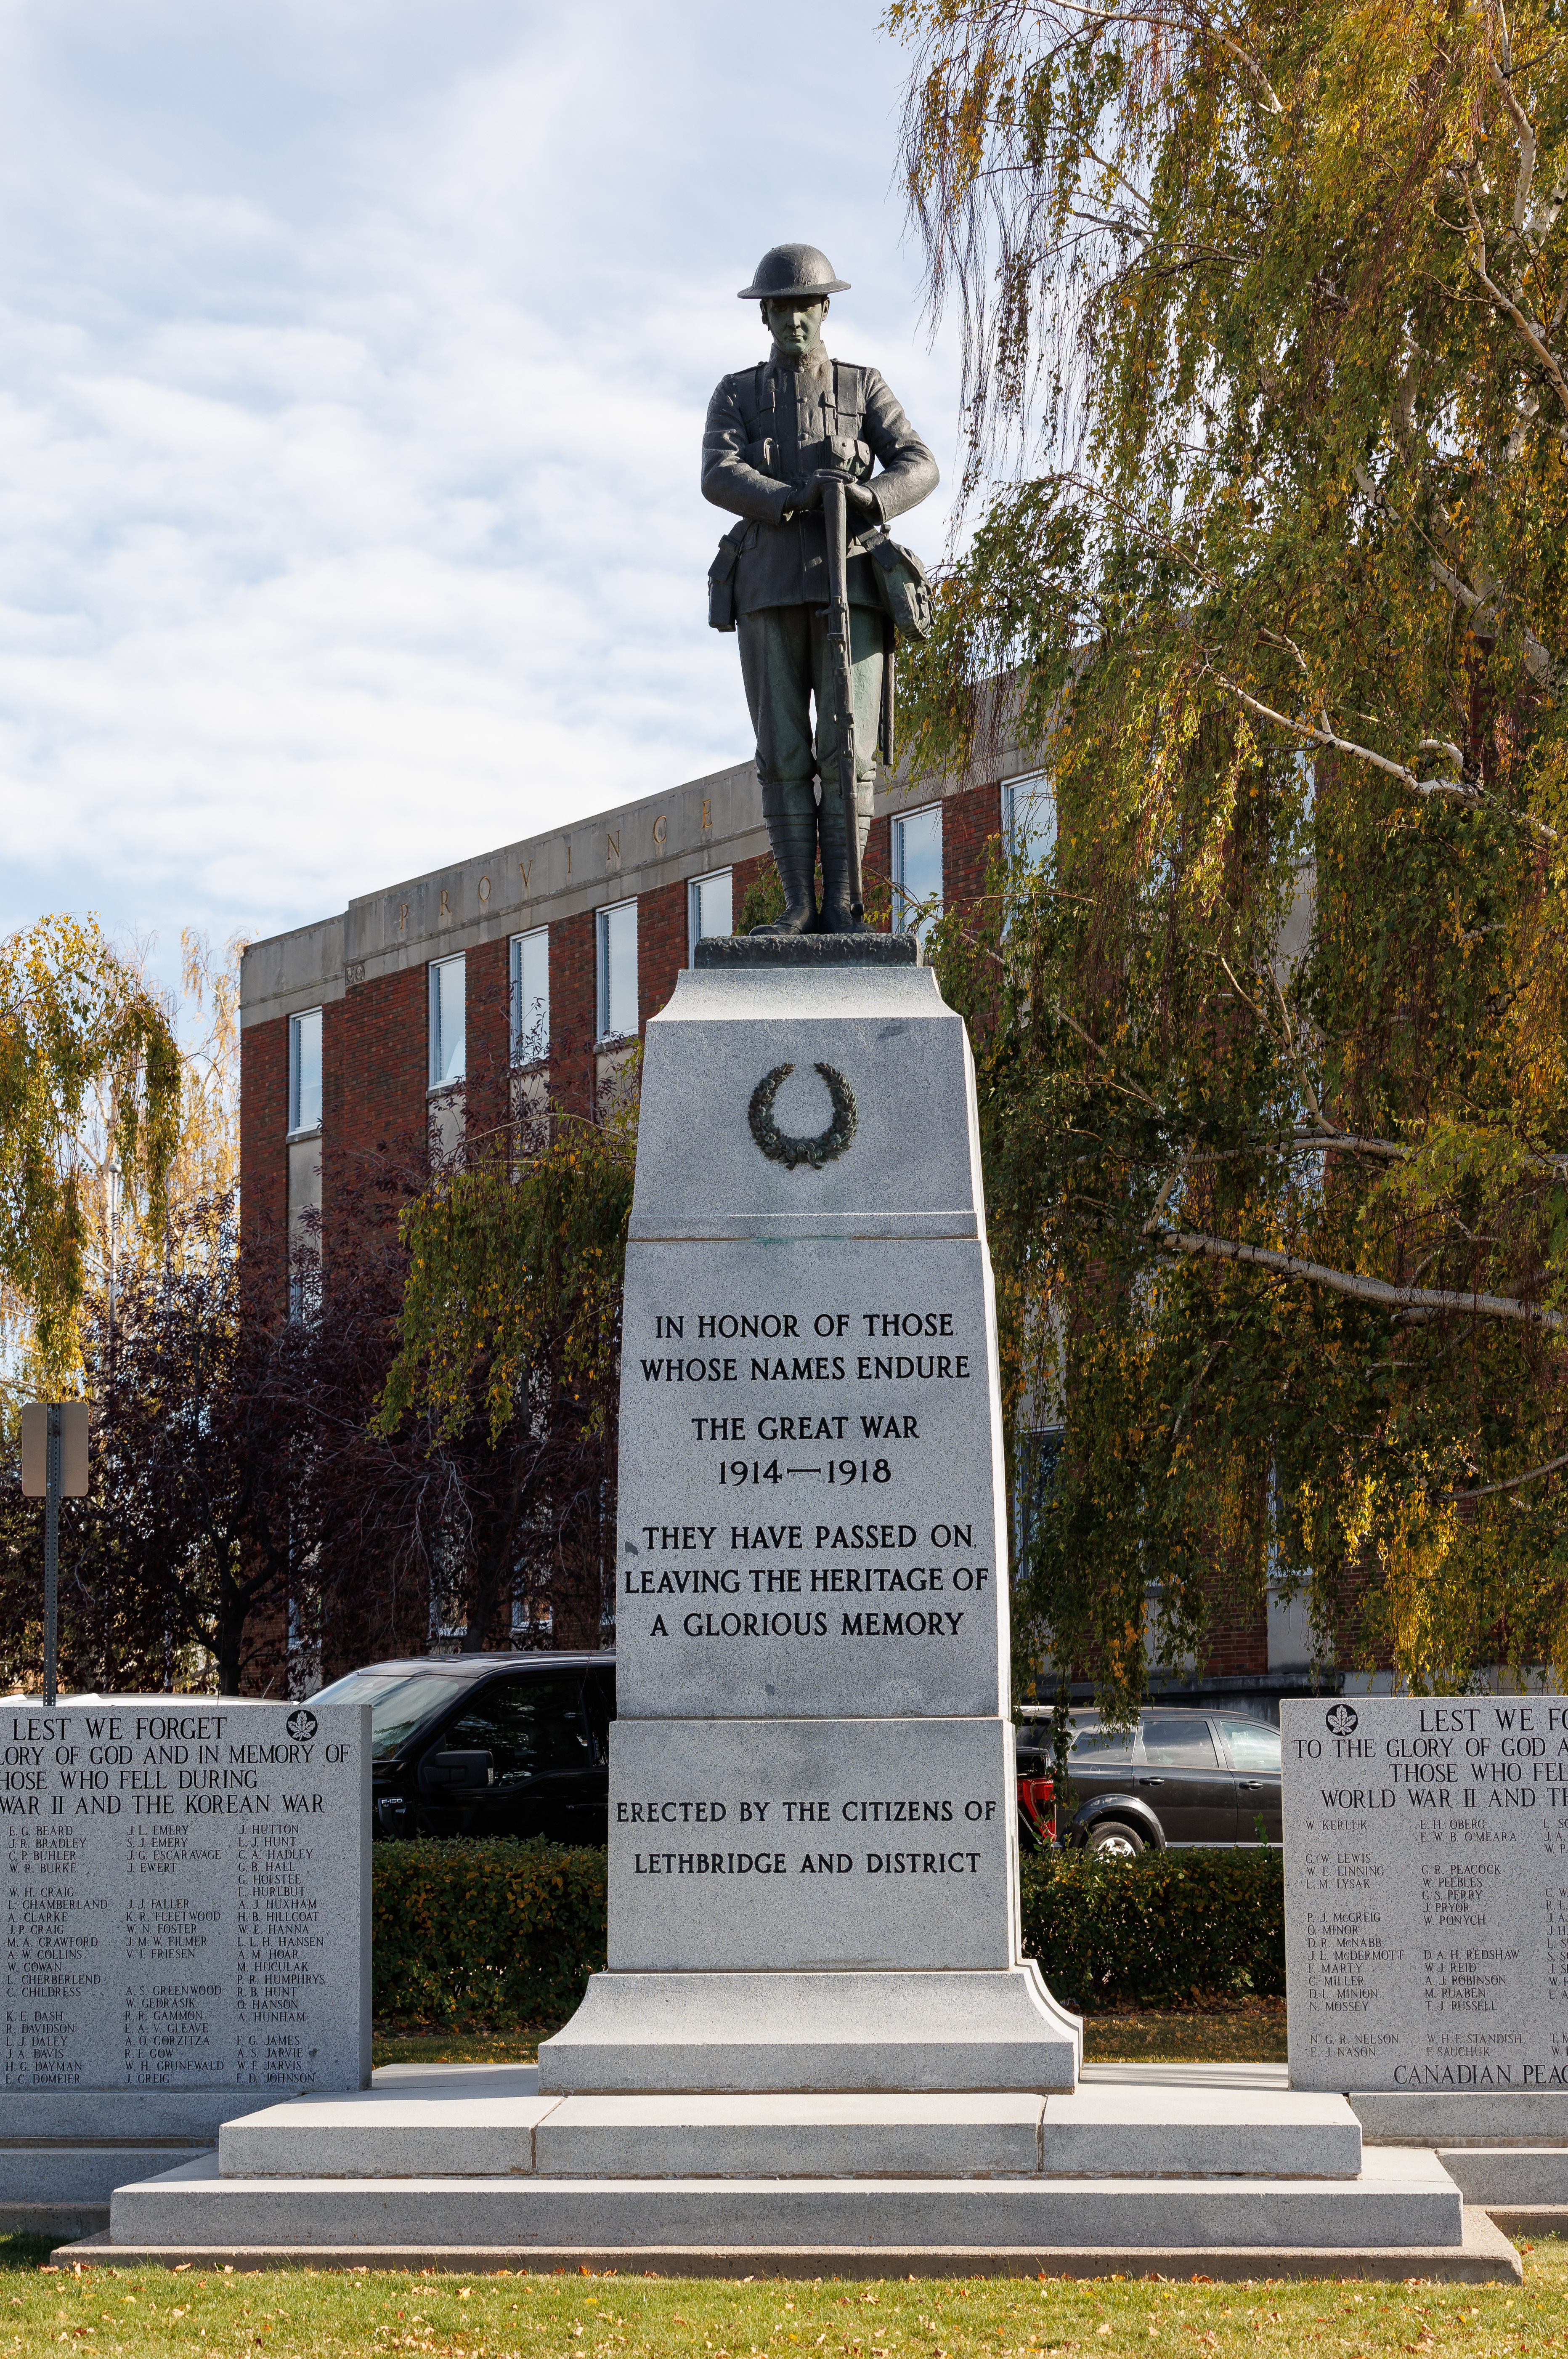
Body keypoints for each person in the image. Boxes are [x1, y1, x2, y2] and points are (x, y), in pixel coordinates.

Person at [702, 244, 939, 935]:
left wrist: (867, 496)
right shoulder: (737, 393)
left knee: (849, 752)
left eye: (807, 306)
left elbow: (920, 464)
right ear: (766, 315)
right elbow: (718, 473)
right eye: (783, 308)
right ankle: (798, 906)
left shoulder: (863, 387)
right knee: (782, 752)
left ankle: (842, 904)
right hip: (769, 589)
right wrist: (791, 497)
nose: (796, 320)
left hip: (854, 588)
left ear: (825, 308)